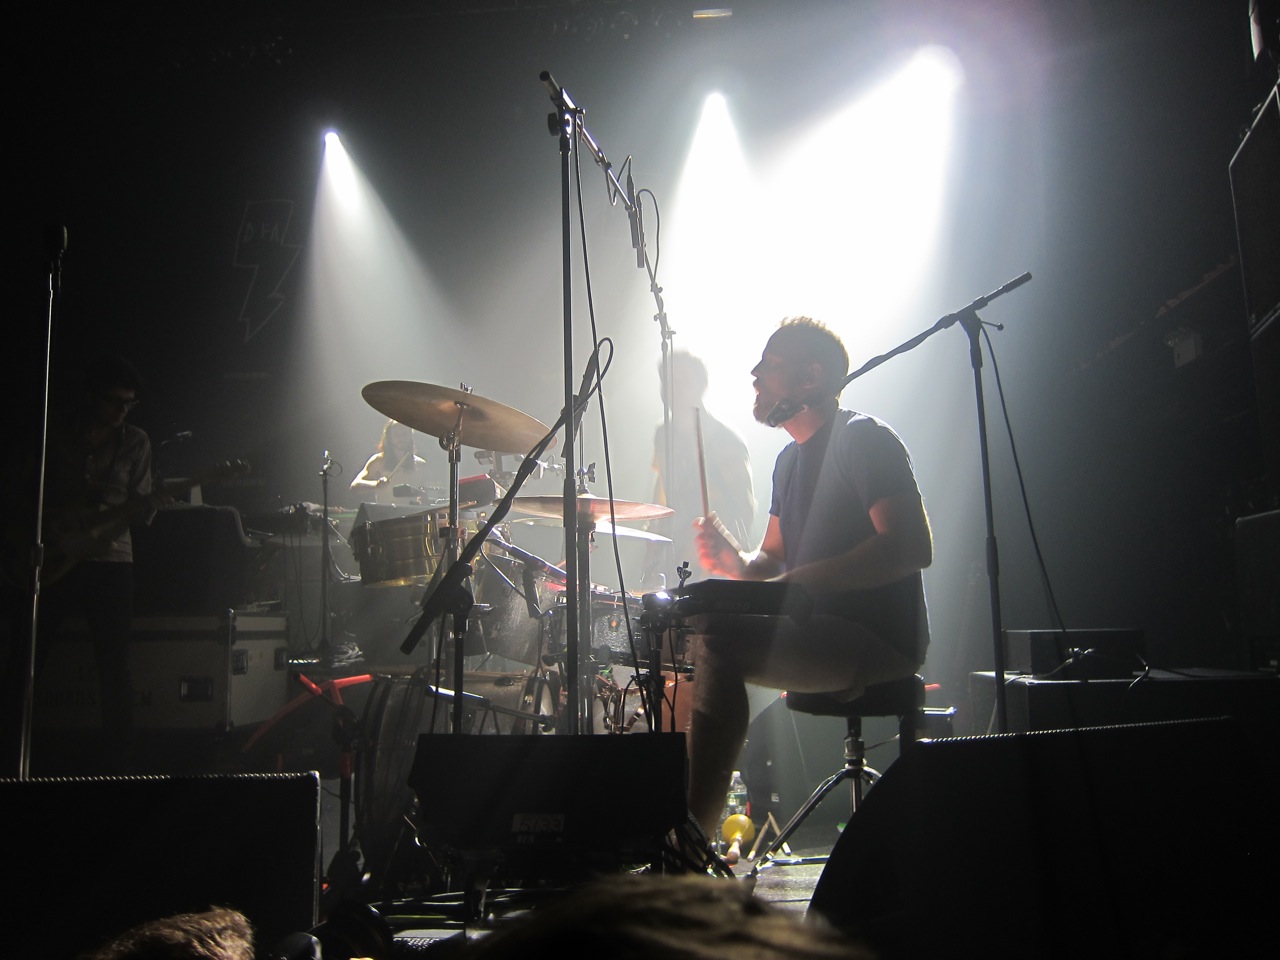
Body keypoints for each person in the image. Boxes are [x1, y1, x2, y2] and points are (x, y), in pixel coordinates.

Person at [687, 317, 932, 837]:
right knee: (694, 630)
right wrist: (735, 561)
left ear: (810, 377)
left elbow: (909, 546)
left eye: (770, 364)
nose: (754, 374)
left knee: (719, 644)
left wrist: (795, 586)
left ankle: (693, 838)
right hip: (814, 627)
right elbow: (772, 562)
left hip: (877, 637)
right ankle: (677, 824)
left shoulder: (863, 439)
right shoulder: (787, 462)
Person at [3, 354, 168, 773]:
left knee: (114, 664)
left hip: (111, 562)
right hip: (51, 556)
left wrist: (146, 506)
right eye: (115, 401)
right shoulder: (52, 432)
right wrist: (42, 530)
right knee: (27, 657)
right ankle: (11, 754)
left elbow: (140, 508)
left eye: (130, 403)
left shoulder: (136, 442)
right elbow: (15, 492)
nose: (123, 410)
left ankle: (118, 766)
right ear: (92, 397)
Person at [643, 350, 755, 588]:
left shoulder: (727, 440)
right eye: (668, 381)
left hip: (715, 563)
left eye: (683, 381)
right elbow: (660, 490)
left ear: (701, 386)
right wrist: (652, 547)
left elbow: (743, 511)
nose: (674, 388)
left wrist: (717, 551)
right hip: (673, 557)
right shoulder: (663, 433)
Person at [350, 419, 430, 504]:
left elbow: (424, 494)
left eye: (404, 434)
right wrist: (377, 484)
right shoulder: (378, 461)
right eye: (396, 434)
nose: (401, 438)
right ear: (389, 437)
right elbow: (354, 486)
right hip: (385, 512)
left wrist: (423, 498)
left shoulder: (421, 464)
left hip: (411, 512)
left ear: (410, 436)